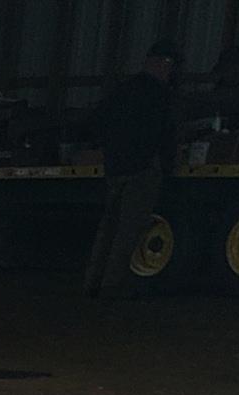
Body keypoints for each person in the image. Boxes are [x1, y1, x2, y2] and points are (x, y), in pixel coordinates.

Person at [84, 40, 181, 297]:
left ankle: (93, 280)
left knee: (109, 226)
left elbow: (96, 121)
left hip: (116, 167)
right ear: (164, 64)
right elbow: (167, 134)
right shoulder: (160, 95)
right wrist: (169, 165)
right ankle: (112, 284)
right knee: (128, 229)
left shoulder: (122, 90)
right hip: (142, 168)